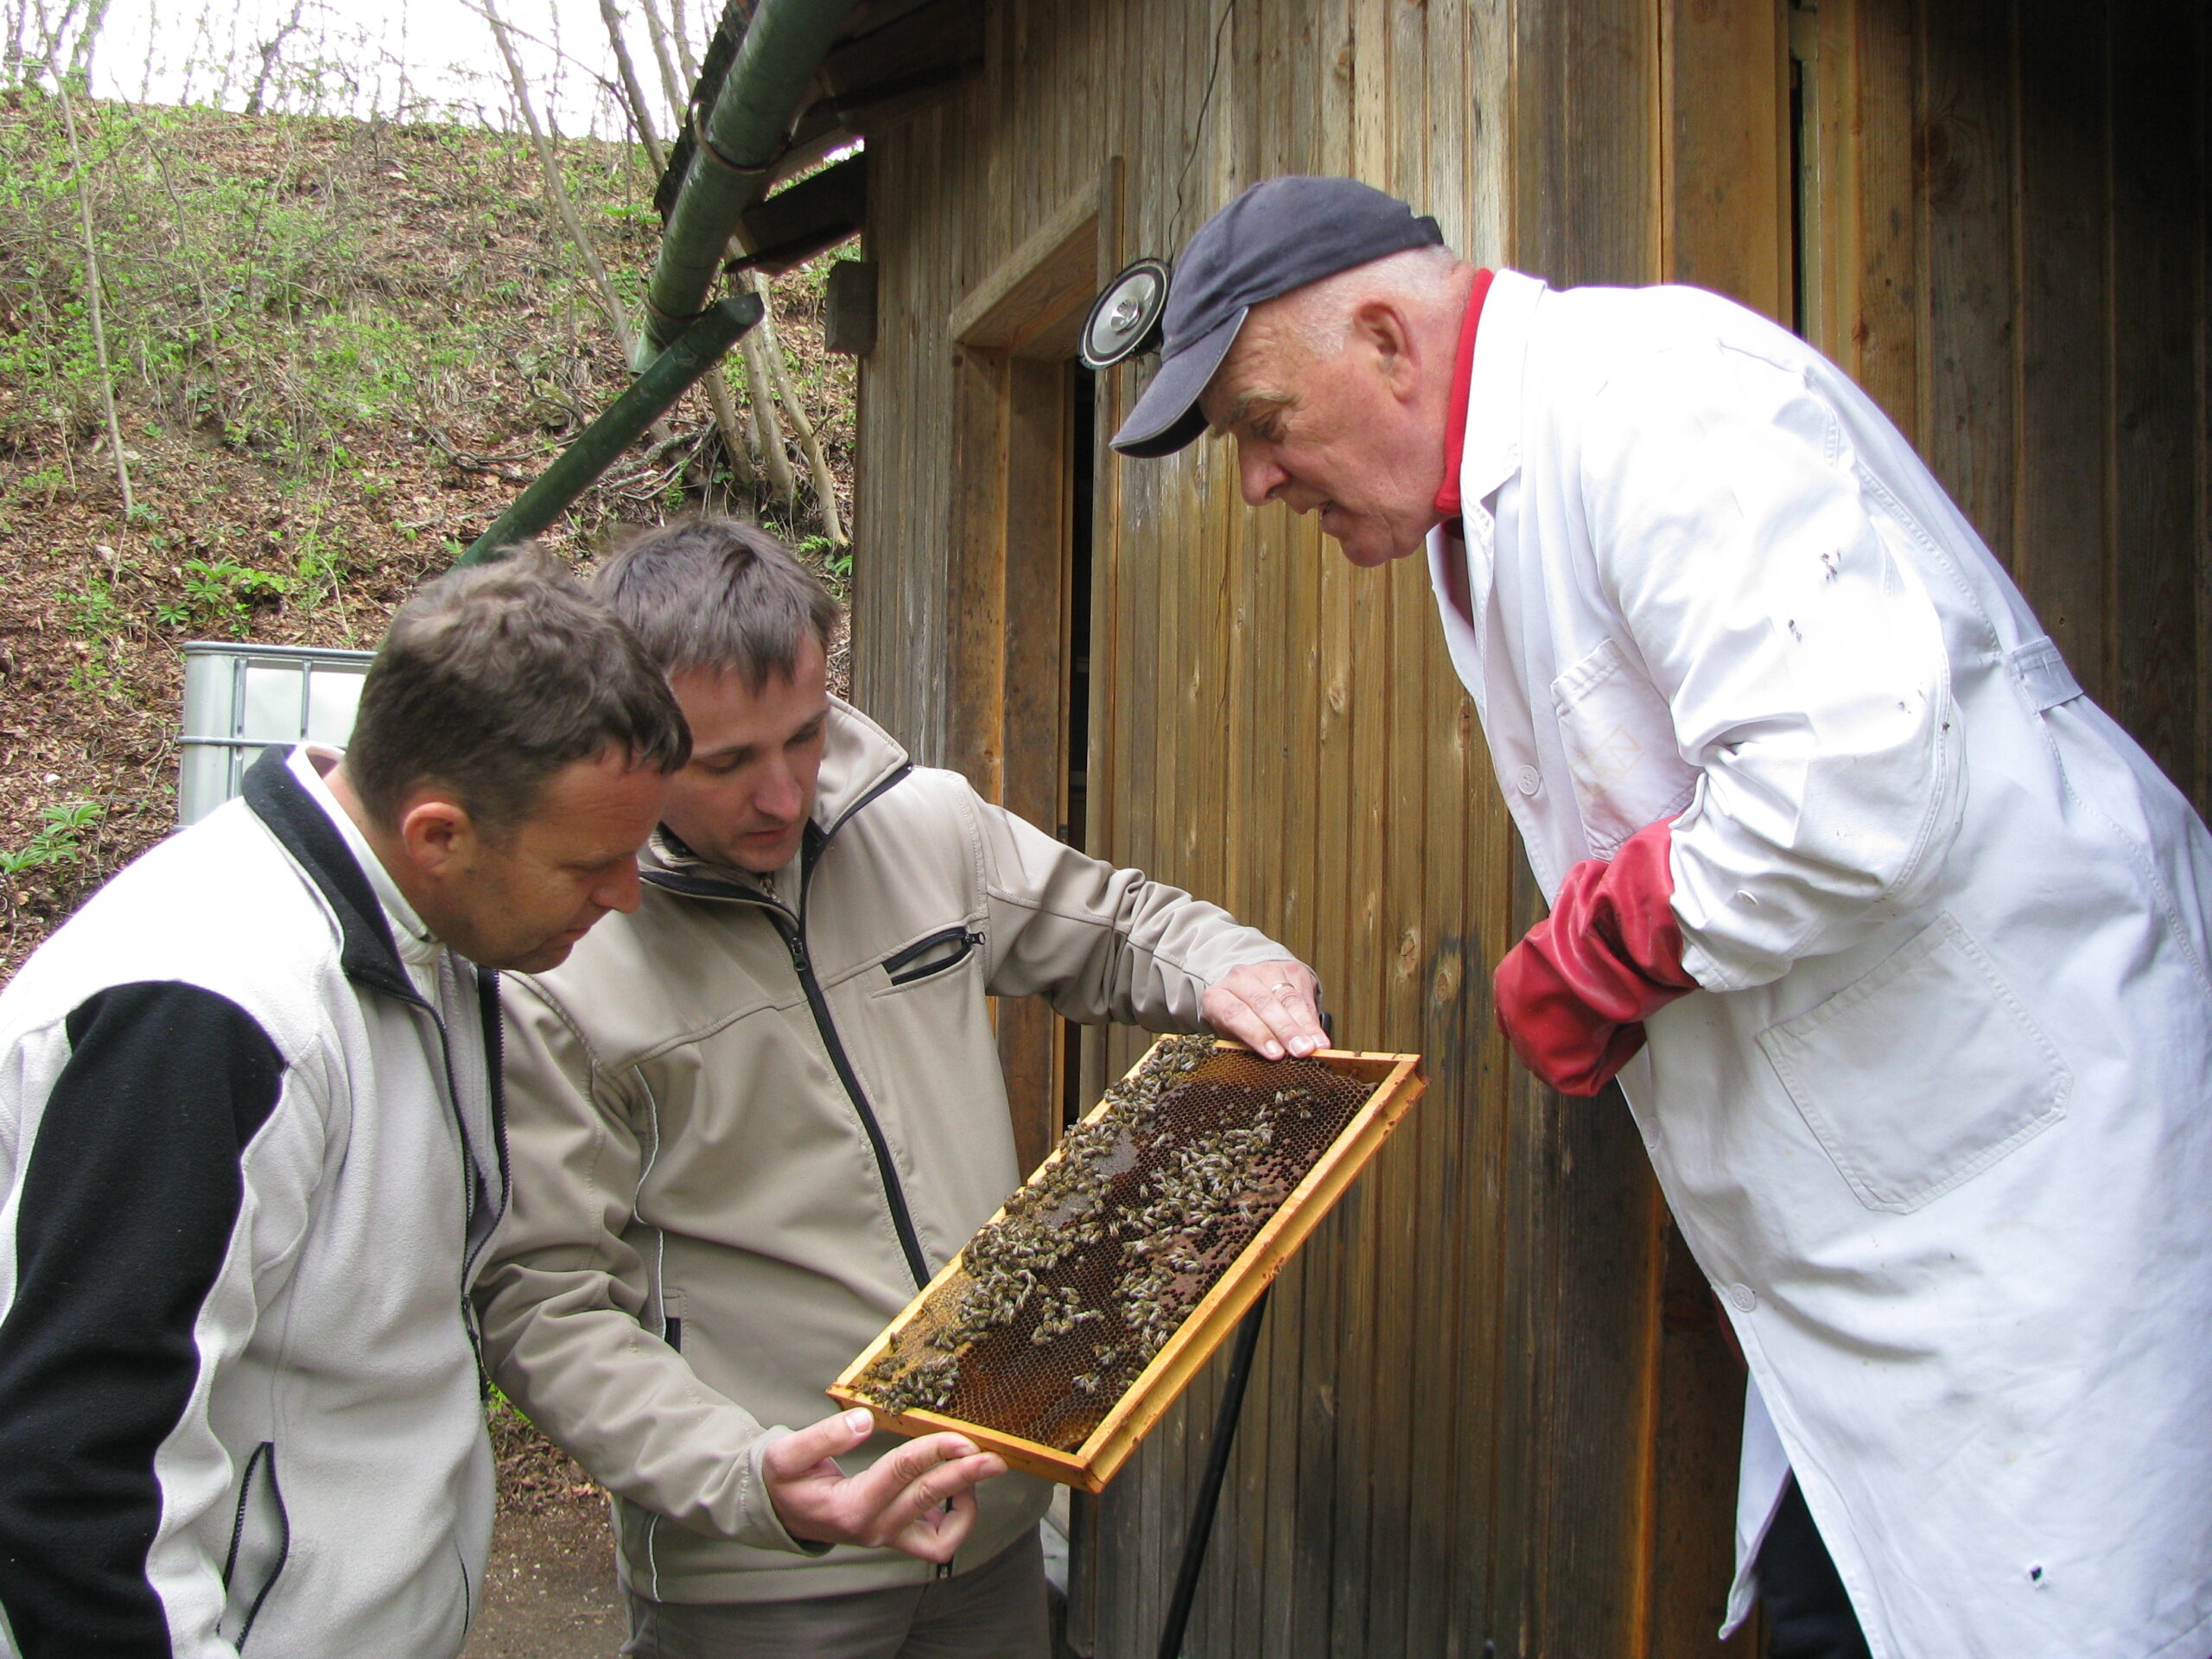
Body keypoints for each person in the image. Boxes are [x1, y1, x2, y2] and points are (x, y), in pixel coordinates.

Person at [1111, 175, 2212, 1659]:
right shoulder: (1493, 498)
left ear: (1383, 337)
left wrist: (1594, 953)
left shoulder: (1654, 403)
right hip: (1888, 1231)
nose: (1253, 483)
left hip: (2030, 1196)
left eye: (1257, 422)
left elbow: (1849, 776)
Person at [475, 518, 1329, 1659]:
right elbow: (543, 1298)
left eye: (804, 735)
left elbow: (1119, 922)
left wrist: (1235, 965)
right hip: (764, 1577)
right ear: (628, 740)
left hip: (996, 1526)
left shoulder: (925, 826)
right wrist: (749, 1482)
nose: (781, 793)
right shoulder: (562, 952)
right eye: (724, 764)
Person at [0, 550, 689, 1659]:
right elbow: (75, 1483)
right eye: (592, 864)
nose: (625, 894)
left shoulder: (427, 931)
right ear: (439, 835)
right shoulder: (203, 1015)